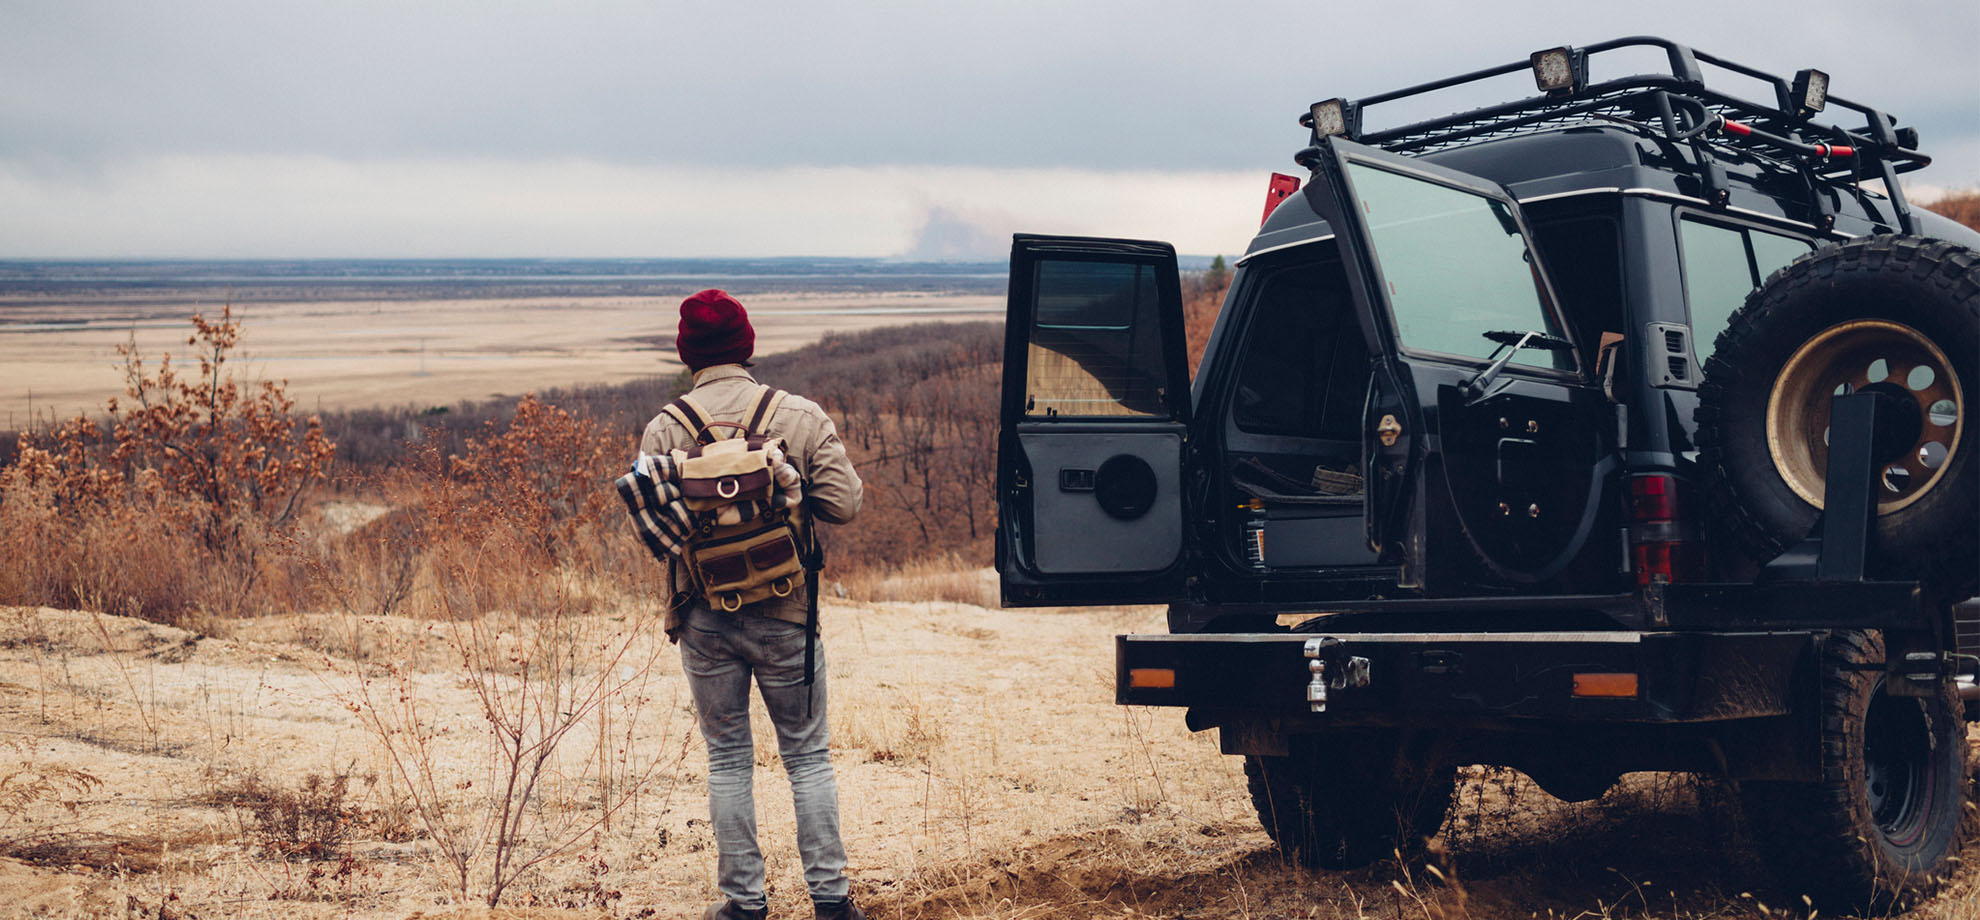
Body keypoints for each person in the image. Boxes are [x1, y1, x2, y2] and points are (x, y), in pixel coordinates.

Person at [640, 289, 866, 920]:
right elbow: (845, 506)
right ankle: (832, 901)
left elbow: (656, 535)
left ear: (688, 353)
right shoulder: (797, 414)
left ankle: (743, 904)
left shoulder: (665, 427)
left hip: (705, 617)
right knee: (807, 754)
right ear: (748, 345)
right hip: (788, 612)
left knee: (729, 757)